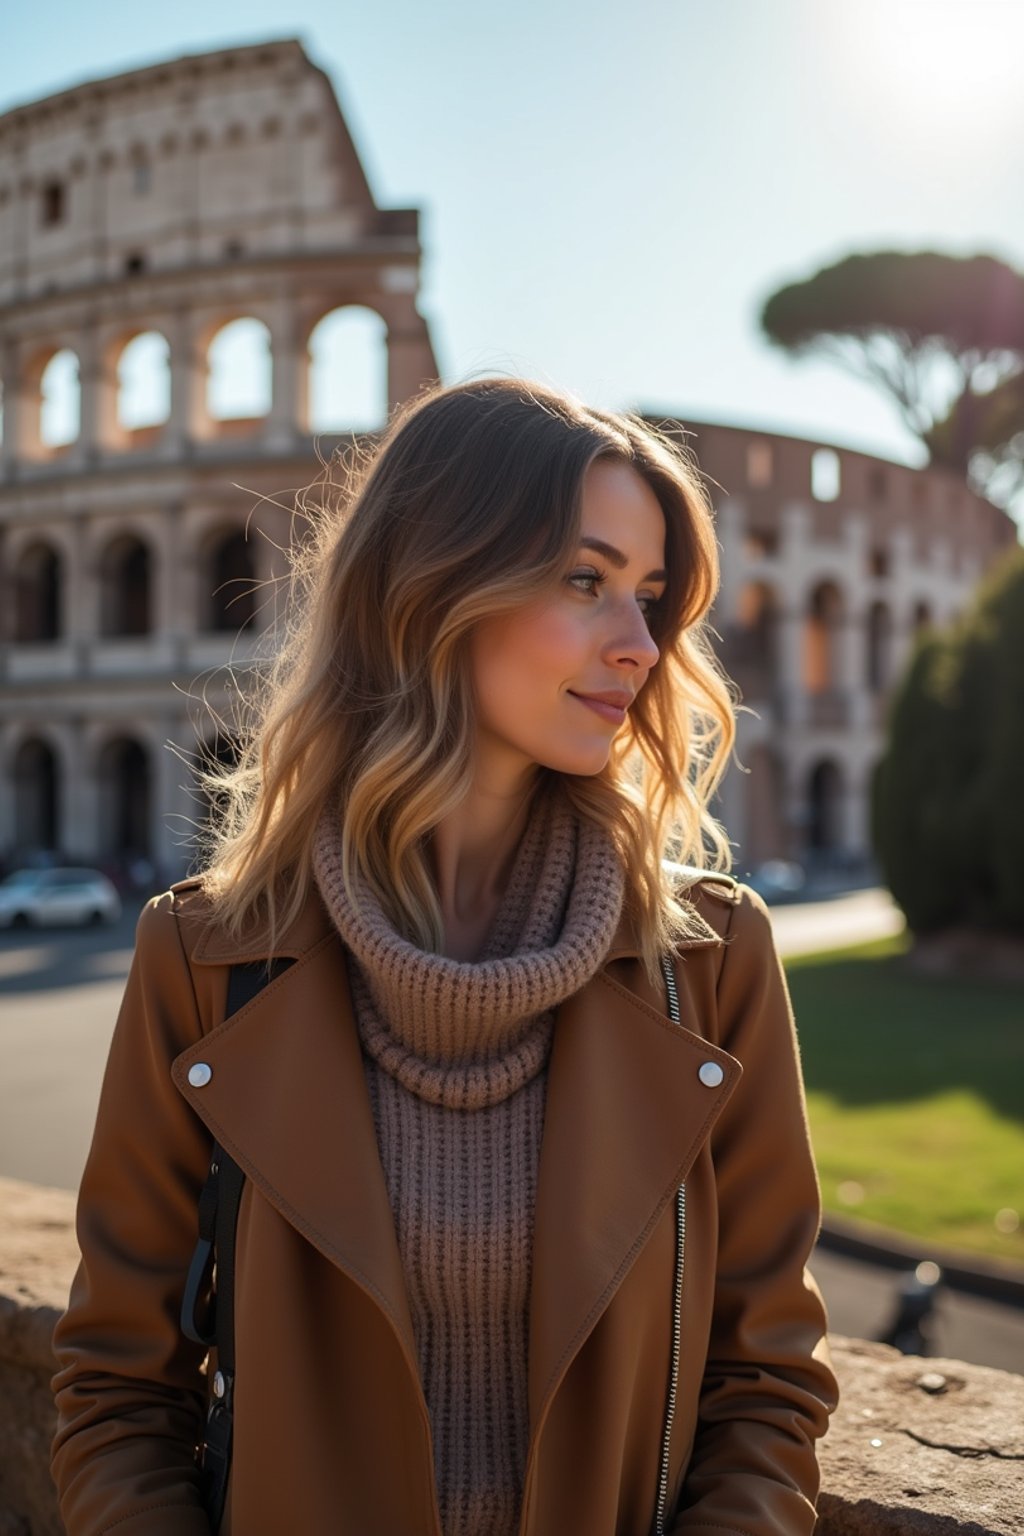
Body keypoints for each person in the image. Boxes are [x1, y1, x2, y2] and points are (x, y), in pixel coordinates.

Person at [51, 377, 838, 1536]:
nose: (640, 646)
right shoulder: (205, 957)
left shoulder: (714, 957)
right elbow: (121, 1390)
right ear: (430, 587)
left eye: (652, 596)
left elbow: (767, 1378)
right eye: (585, 580)